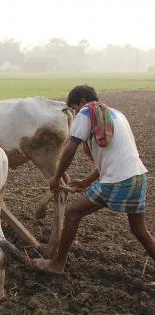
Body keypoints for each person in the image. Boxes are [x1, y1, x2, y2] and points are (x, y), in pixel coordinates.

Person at [32, 85, 155, 273]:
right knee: (140, 231)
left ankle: (57, 264)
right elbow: (113, 156)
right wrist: (86, 182)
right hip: (137, 177)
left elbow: (71, 148)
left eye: (74, 108)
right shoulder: (116, 114)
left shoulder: (87, 113)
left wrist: (56, 177)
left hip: (118, 181)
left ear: (82, 102)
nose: (75, 113)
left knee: (73, 213)